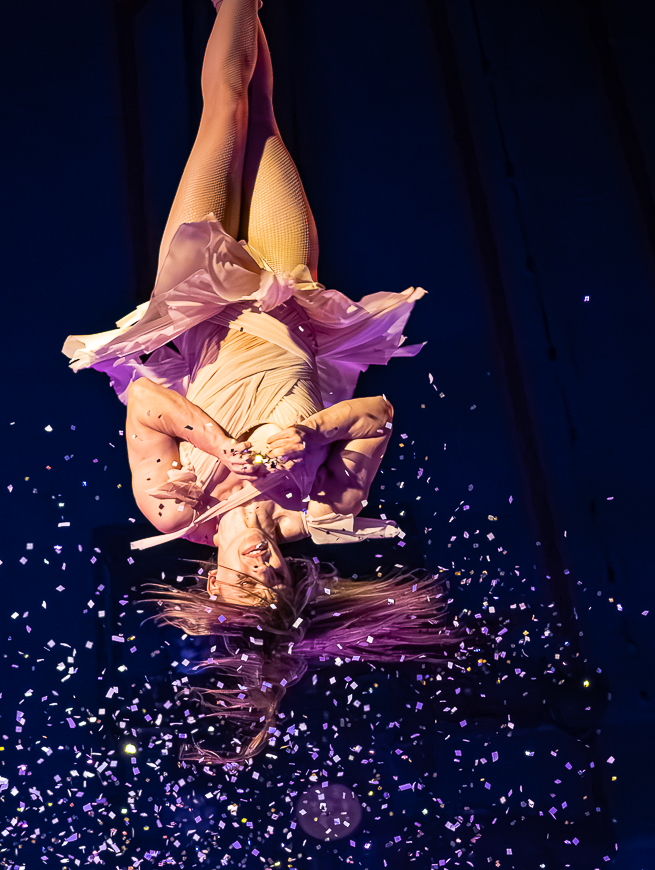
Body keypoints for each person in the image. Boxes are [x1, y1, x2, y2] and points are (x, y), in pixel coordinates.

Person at [63, 0, 454, 764]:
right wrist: (307, 433)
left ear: (213, 589)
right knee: (266, 119)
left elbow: (142, 401)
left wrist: (218, 445)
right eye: (279, 582)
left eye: (248, 585)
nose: (263, 568)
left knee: (224, 112)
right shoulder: (324, 511)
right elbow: (376, 414)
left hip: (203, 298)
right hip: (285, 292)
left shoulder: (173, 508)